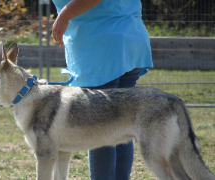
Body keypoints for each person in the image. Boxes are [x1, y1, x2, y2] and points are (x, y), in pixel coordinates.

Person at [51, 0, 154, 179]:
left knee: (101, 128)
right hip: (127, 41)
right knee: (121, 126)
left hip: (102, 50)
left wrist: (65, 14)